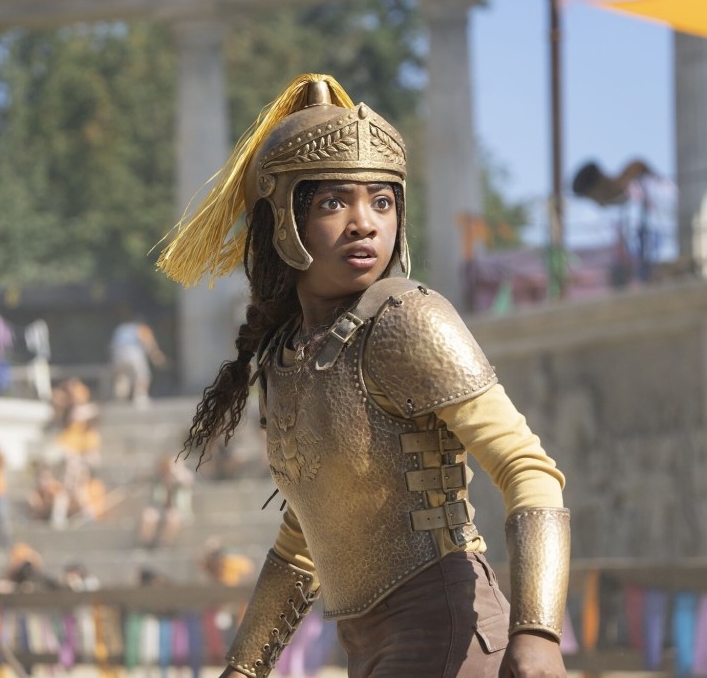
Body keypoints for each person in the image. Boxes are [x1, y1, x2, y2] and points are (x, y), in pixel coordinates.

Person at [156, 74, 570, 677]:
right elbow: (304, 537)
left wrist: (537, 631)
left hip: (449, 635)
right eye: (333, 202)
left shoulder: (410, 318)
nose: (364, 223)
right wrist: (242, 670)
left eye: (381, 201)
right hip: (369, 649)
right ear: (284, 221)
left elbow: (529, 470)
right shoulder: (285, 356)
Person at [109, 315, 167, 407]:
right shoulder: (141, 327)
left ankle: (120, 398)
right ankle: (140, 397)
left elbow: (112, 345)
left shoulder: (121, 328)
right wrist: (155, 355)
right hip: (133, 352)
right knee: (142, 374)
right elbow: (148, 341)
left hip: (117, 354)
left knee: (123, 376)